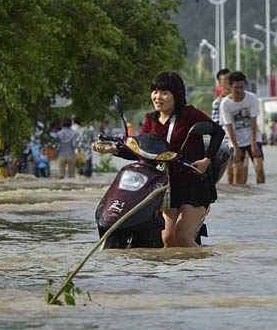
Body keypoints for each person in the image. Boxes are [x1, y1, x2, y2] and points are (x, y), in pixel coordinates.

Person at [95, 71, 224, 248]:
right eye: (155, 91)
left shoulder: (189, 114)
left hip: (193, 184)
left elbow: (218, 132)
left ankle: (208, 269)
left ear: (176, 95)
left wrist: (206, 160)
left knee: (184, 236)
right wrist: (112, 150)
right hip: (165, 186)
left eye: (164, 93)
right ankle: (178, 274)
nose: (158, 97)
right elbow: (142, 152)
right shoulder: (150, 120)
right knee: (168, 239)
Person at [220, 71, 265, 184]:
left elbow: (253, 122)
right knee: (237, 171)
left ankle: (263, 194)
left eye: (242, 87)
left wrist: (254, 144)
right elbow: (229, 127)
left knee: (259, 168)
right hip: (235, 140)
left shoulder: (252, 98)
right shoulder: (225, 104)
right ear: (230, 87)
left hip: (253, 138)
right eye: (236, 88)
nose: (239, 91)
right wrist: (235, 148)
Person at [211, 68, 242, 184]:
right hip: (226, 140)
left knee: (242, 168)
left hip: (243, 138)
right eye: (225, 80)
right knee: (231, 169)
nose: (228, 82)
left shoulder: (241, 99)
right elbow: (216, 124)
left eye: (230, 79)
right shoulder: (218, 103)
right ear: (220, 83)